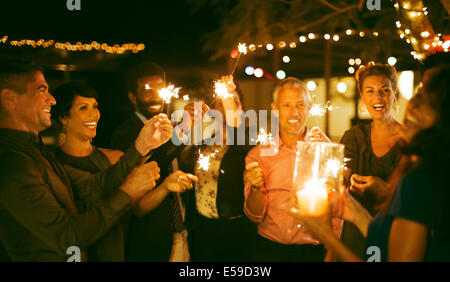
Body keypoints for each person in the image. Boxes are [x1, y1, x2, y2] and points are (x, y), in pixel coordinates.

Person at [0, 60, 172, 261]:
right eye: (41, 90)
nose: (52, 100)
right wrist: (129, 191)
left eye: (95, 106)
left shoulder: (36, 152)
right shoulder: (12, 163)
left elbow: (93, 186)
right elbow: (67, 236)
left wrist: (141, 146)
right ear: (9, 99)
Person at [289, 66, 450, 262]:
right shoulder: (356, 137)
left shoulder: (419, 180)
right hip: (361, 234)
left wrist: (326, 235)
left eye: (426, 101)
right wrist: (355, 211)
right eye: (418, 95)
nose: (414, 106)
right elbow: (339, 180)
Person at [243, 77, 340, 262]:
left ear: (310, 106)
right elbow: (254, 216)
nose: (294, 112)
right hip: (270, 251)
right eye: (286, 105)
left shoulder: (324, 150)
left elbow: (337, 209)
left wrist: (332, 251)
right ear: (275, 109)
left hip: (314, 253)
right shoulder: (258, 155)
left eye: (300, 104)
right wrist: (255, 188)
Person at [116, 62, 205, 261]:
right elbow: (156, 162)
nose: (155, 96)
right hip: (152, 243)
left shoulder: (169, 126)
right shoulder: (125, 134)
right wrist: (183, 129)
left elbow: (176, 162)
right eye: (147, 91)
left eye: (159, 89)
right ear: (132, 97)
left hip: (184, 236)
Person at [178, 75, 257, 261]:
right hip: (202, 234)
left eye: (234, 102)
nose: (229, 107)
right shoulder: (200, 147)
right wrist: (183, 127)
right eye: (221, 103)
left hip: (237, 235)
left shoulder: (250, 145)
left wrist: (228, 93)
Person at [339, 63, 403, 258]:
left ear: (394, 93)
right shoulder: (354, 137)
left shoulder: (409, 141)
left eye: (385, 90)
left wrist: (385, 191)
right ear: (362, 96)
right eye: (370, 91)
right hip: (354, 240)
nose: (378, 98)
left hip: (395, 238)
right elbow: (338, 183)